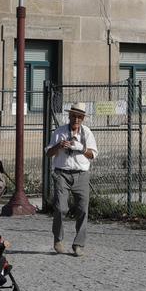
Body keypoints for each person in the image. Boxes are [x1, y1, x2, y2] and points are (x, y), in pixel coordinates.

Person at [45, 104, 98, 256]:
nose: (76, 119)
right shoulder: (60, 132)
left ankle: (78, 244)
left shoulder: (87, 133)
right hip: (62, 173)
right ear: (69, 117)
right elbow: (49, 153)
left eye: (79, 117)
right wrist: (59, 146)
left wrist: (80, 148)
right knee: (61, 208)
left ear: (83, 119)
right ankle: (58, 240)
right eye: (73, 116)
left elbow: (93, 155)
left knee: (82, 210)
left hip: (81, 175)